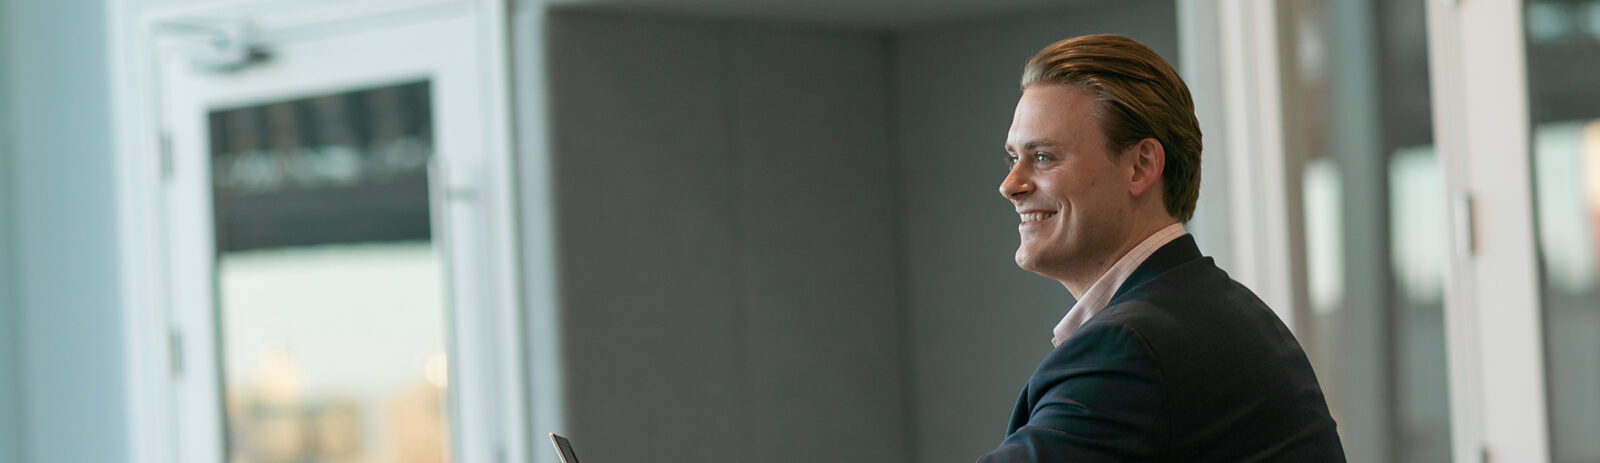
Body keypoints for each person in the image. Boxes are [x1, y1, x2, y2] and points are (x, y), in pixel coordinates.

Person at [977, 34, 1346, 462]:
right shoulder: (1212, 312)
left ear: (1141, 166)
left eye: (1042, 157)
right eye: (1012, 159)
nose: (1011, 186)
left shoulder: (1131, 348)